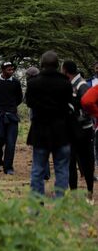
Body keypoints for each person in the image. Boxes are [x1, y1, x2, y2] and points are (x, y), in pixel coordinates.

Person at [26, 51, 72, 198]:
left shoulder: (33, 83)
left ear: (42, 64)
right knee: (62, 169)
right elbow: (68, 104)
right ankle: (60, 204)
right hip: (61, 131)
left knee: (38, 169)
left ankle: (36, 206)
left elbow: (30, 103)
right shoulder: (65, 83)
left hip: (40, 132)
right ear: (58, 64)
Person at [62, 61, 94, 199]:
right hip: (72, 130)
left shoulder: (82, 85)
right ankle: (74, 193)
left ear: (65, 70)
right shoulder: (70, 84)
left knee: (86, 161)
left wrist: (77, 118)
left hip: (83, 130)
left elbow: (88, 106)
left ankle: (89, 192)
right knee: (71, 162)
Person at [0, 61, 23, 175]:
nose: (11, 71)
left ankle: (8, 167)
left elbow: (19, 98)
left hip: (12, 116)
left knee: (10, 143)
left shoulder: (16, 82)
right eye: (8, 69)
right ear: (3, 70)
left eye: (12, 69)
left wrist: (12, 106)